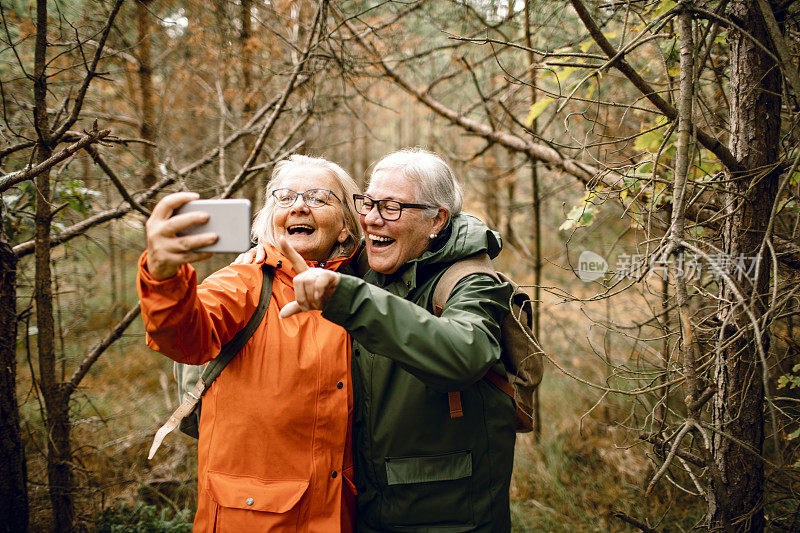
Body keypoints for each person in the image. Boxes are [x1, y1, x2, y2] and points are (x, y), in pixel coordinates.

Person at [279, 148, 516, 532]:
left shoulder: (473, 282)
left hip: (449, 518)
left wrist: (349, 299)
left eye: (391, 207)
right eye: (368, 203)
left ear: (436, 220)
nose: (371, 219)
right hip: (365, 510)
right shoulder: (365, 264)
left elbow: (464, 354)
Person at [137, 155, 361, 532]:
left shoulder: (366, 291)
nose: (300, 205)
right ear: (271, 218)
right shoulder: (244, 281)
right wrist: (163, 276)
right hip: (253, 519)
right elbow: (185, 337)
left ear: (344, 229)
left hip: (344, 514)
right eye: (285, 197)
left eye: (319, 198)